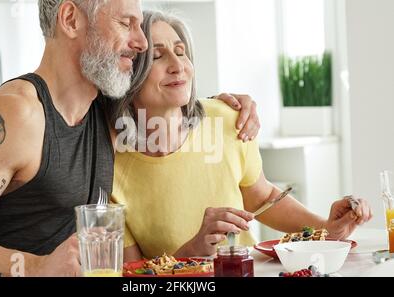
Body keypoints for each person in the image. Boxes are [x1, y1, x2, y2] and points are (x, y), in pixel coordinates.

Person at [0, 0, 260, 277]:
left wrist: (225, 106)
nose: (141, 43)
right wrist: (33, 268)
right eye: (125, 23)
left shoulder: (104, 112)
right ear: (70, 19)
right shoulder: (17, 113)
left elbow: (165, 102)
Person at [110, 10, 373, 261]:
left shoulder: (228, 119)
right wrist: (192, 250)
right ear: (128, 73)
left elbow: (262, 197)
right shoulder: (110, 168)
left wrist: (326, 230)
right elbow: (132, 276)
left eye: (181, 52)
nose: (178, 65)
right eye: (157, 56)